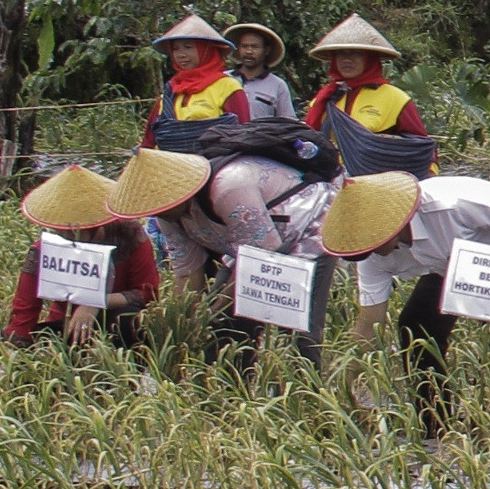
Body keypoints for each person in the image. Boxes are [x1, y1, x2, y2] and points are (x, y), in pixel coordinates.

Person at [319, 168, 490, 430]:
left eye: (375, 242)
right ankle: (434, 419)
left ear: (393, 226)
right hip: (449, 262)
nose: (374, 252)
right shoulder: (374, 256)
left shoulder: (449, 207)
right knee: (415, 325)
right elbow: (369, 324)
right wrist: (346, 387)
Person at [107, 146, 334, 347]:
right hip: (248, 245)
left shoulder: (228, 188)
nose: (159, 214)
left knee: (298, 329)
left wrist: (218, 305)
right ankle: (233, 388)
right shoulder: (167, 216)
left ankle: (304, 388)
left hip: (305, 229)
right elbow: (188, 273)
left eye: (162, 208)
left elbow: (260, 258)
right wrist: (181, 320)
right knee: (222, 329)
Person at [4, 165, 158, 350]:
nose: (66, 235)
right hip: (68, 322)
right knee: (39, 342)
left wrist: (95, 302)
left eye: (72, 232)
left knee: (129, 321)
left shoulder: (130, 236)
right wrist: (12, 353)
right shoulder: (45, 249)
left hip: (116, 318)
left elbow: (146, 293)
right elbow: (25, 311)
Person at [305, 14, 435, 177]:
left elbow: (423, 148)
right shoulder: (322, 100)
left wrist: (428, 178)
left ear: (370, 58)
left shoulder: (395, 98)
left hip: (379, 184)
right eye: (340, 53)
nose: (346, 59)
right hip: (329, 182)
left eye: (356, 53)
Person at [140, 13, 245, 147]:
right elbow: (149, 141)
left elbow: (242, 135)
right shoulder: (170, 91)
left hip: (212, 165)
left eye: (188, 47)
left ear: (205, 50)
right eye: (175, 49)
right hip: (168, 165)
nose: (181, 55)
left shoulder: (228, 87)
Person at [225, 23, 299, 126]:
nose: (249, 51)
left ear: (266, 50)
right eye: (244, 46)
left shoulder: (277, 85)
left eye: (255, 47)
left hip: (261, 140)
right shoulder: (224, 79)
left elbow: (289, 124)